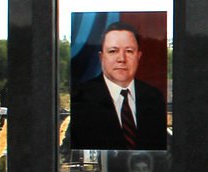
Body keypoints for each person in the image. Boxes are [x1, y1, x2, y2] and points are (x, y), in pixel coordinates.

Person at [70, 22, 167, 151]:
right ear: (101, 57)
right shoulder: (79, 98)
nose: (121, 59)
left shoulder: (154, 97)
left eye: (129, 51)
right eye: (113, 51)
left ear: (138, 57)